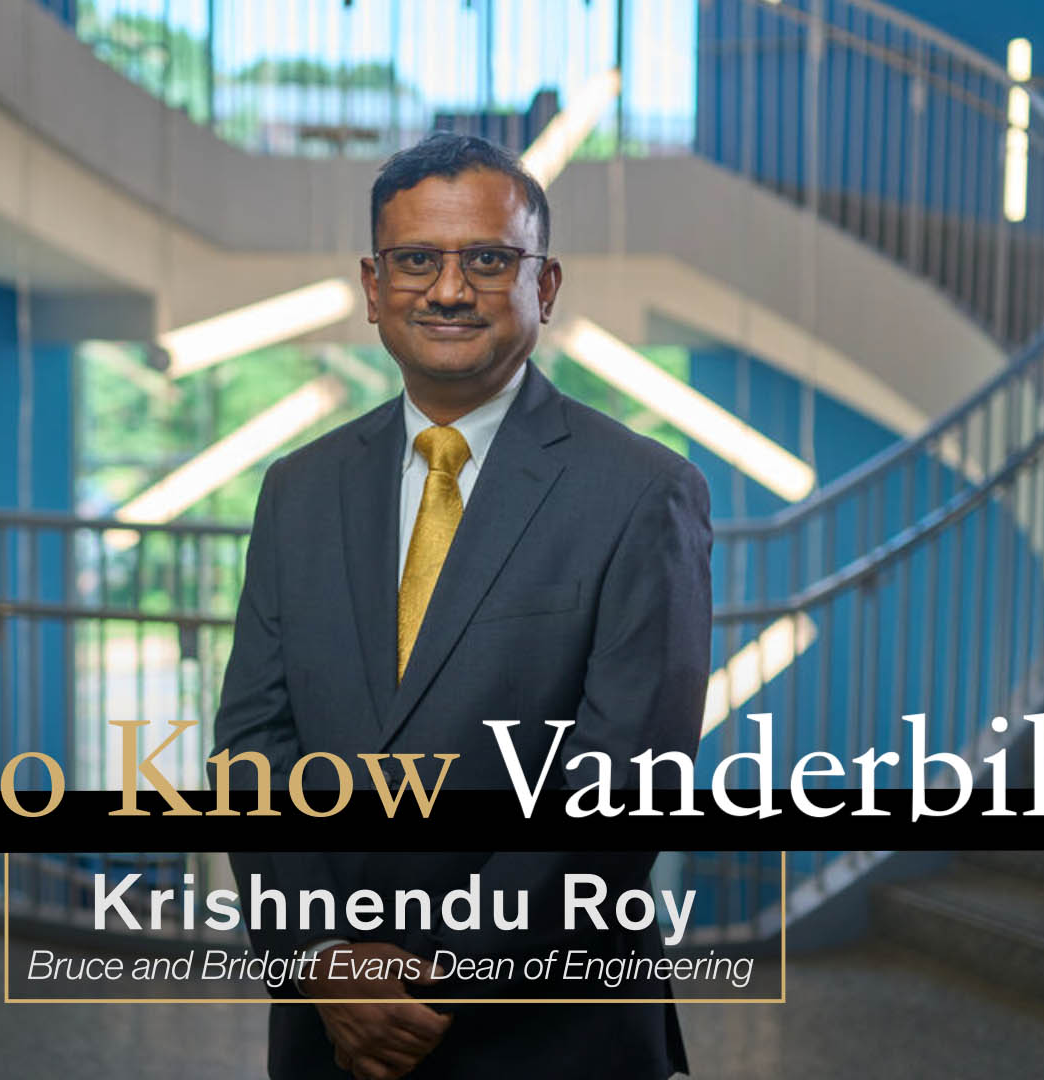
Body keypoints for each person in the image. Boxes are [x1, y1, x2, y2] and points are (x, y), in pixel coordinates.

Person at [213, 132, 712, 1080]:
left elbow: (622, 789)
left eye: (488, 259)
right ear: (373, 285)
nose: (448, 290)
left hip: (548, 1032)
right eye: (416, 261)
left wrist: (435, 980)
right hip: (333, 1032)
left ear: (546, 286)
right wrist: (325, 959)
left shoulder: (644, 493)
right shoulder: (297, 490)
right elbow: (252, 744)